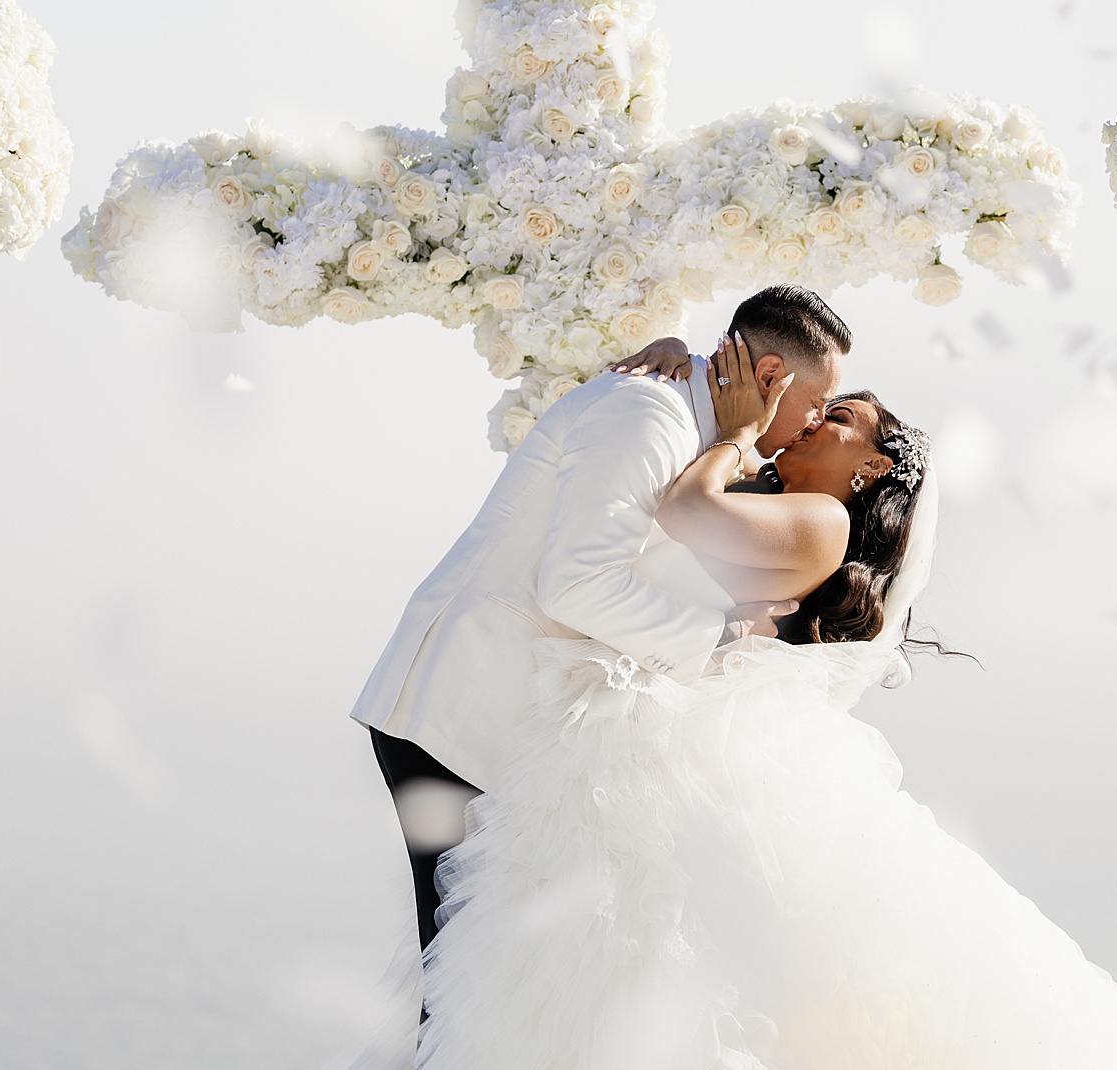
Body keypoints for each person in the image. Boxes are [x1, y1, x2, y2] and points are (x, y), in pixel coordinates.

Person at [230, 340, 1117, 1070]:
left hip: (666, 761)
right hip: (626, 756)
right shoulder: (777, 487)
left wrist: (730, 431)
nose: (812, 423)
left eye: (840, 422)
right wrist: (684, 374)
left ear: (873, 471)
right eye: (817, 407)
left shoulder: (818, 519)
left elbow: (687, 515)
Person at [354, 284, 853, 952]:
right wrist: (724, 638)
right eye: (815, 400)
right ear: (769, 376)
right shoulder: (649, 416)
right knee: (461, 974)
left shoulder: (690, 430)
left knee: (486, 972)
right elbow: (577, 584)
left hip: (503, 725)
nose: (816, 420)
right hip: (458, 712)